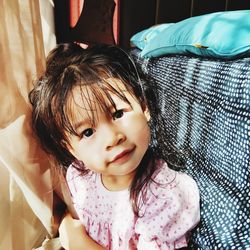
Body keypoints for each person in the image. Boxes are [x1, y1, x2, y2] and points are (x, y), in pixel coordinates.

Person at [29, 43, 200, 250]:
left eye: (118, 113)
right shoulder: (80, 176)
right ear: (71, 149)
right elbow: (74, 218)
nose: (113, 138)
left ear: (143, 106)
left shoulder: (165, 194)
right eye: (88, 132)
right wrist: (66, 226)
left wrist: (77, 242)